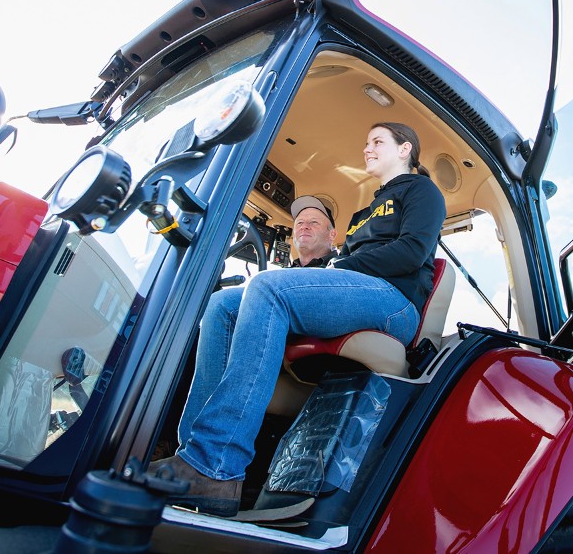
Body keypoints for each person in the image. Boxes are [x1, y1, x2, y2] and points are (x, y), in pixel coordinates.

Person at [152, 122, 445, 516]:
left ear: (405, 148)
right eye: (366, 141)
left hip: (394, 302)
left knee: (268, 288)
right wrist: (338, 269)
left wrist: (340, 265)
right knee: (221, 305)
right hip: (354, 291)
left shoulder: (421, 191)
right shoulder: (362, 213)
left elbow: (411, 252)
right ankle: (194, 460)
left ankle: (217, 465)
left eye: (378, 141)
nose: (368, 148)